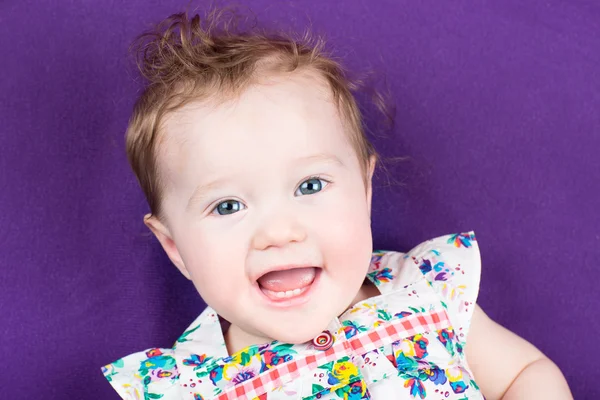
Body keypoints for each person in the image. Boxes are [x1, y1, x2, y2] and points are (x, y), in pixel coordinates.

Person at [101, 7, 572, 400]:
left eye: (309, 186)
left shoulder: (424, 291)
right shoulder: (190, 385)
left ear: (365, 191)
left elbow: (523, 375)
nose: (279, 232)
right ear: (176, 248)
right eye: (227, 206)